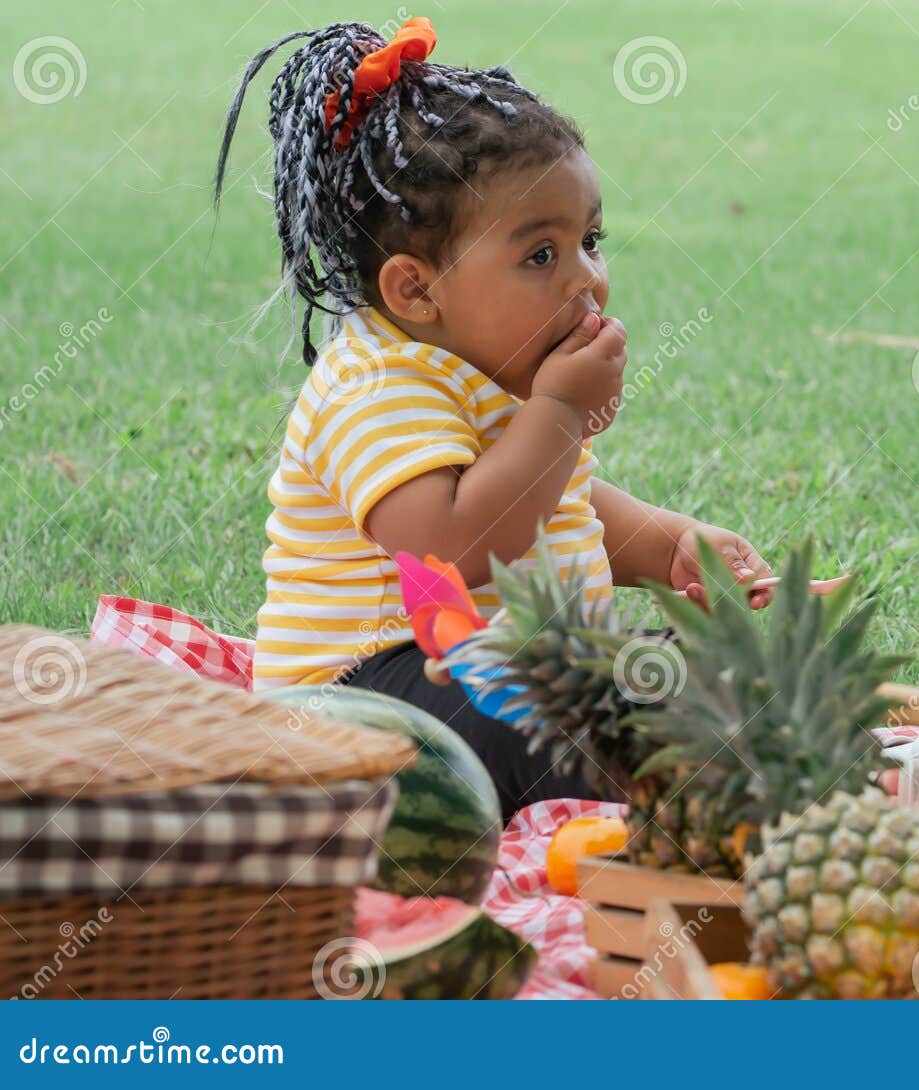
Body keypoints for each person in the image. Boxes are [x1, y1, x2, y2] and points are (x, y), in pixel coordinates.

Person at [216, 17, 773, 822]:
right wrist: (559, 412)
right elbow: (459, 545)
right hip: (357, 710)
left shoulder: (485, 354)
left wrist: (667, 548)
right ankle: (689, 777)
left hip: (484, 665)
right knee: (587, 709)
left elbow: (555, 508)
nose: (585, 278)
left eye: (590, 239)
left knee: (704, 666)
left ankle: (712, 745)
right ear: (414, 290)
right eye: (540, 255)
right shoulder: (372, 387)